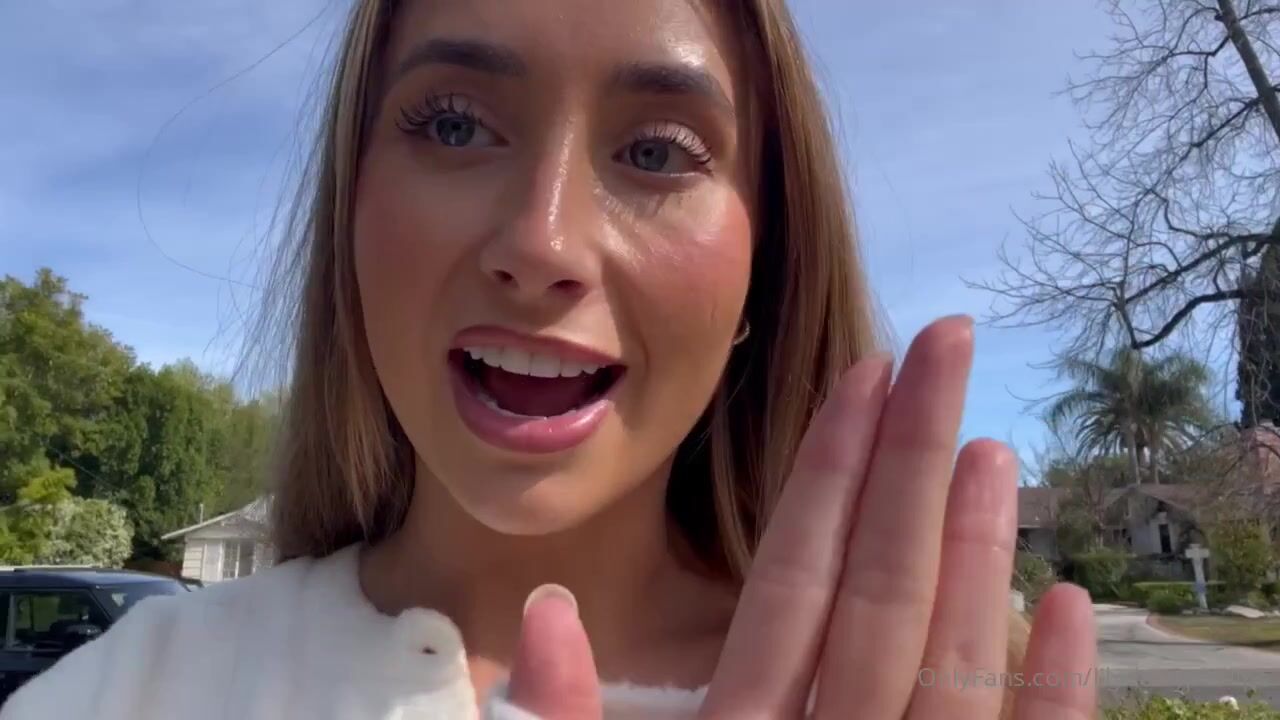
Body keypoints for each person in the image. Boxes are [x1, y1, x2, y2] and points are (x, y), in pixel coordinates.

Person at [1, 0, 1098, 718]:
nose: (542, 244)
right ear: (350, 212)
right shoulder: (119, 694)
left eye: (657, 151)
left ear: (764, 271)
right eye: (453, 126)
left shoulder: (953, 699)